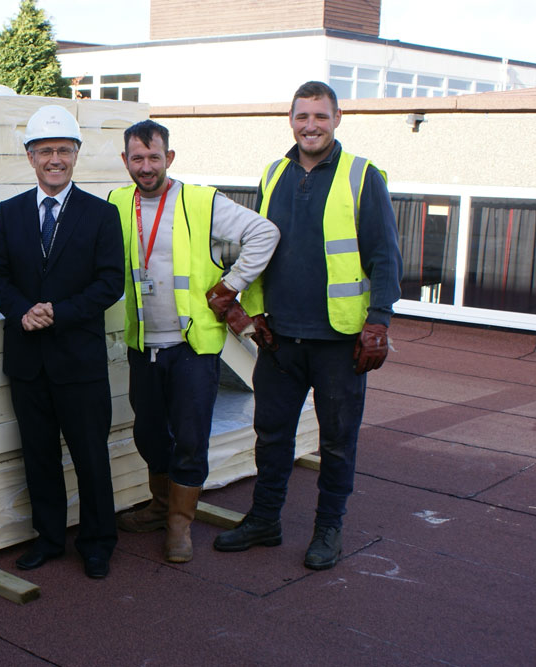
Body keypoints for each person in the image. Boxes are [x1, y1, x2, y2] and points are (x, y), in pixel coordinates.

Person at [213, 81, 402, 570]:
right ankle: (265, 520)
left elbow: (385, 257)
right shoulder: (273, 174)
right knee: (271, 436)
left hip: (340, 342)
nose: (310, 125)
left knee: (338, 442)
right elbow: (260, 245)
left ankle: (328, 529)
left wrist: (378, 322)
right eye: (302, 117)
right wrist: (250, 311)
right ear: (290, 120)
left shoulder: (363, 177)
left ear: (337, 118)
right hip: (279, 338)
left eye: (320, 116)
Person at [108, 120, 280, 563]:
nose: (146, 167)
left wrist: (232, 286)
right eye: (137, 158)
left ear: (170, 158)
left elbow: (265, 233)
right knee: (148, 434)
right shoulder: (116, 202)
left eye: (154, 157)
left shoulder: (201, 202)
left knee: (189, 436)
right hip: (143, 344)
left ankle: (180, 526)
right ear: (125, 161)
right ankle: (162, 506)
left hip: (192, 347)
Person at [0, 105, 124, 579]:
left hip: (77, 362)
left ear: (76, 154)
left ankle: (98, 542)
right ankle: (48, 539)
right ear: (30, 156)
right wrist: (23, 310)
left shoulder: (102, 215)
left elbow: (110, 283)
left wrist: (57, 313)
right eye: (45, 151)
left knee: (90, 456)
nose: (55, 159)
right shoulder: (10, 212)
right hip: (28, 361)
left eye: (64, 150)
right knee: (39, 456)